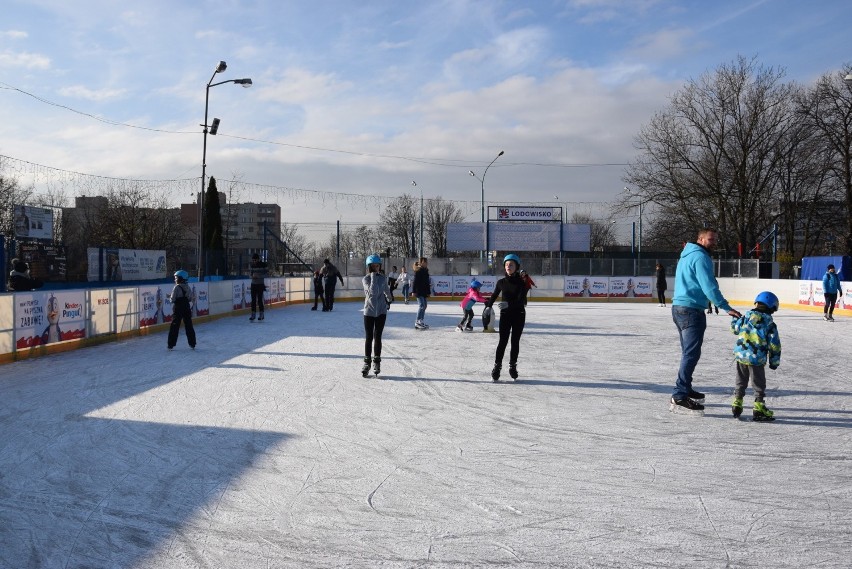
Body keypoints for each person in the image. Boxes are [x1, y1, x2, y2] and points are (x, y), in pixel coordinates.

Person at [670, 228, 741, 415]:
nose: (714, 243)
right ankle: (679, 395)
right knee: (691, 354)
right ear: (700, 239)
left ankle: (685, 388)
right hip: (691, 310)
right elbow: (709, 285)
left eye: (715, 239)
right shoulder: (700, 257)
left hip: (679, 307)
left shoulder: (686, 255)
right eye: (711, 239)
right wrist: (726, 307)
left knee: (689, 353)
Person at [730, 291, 781, 421]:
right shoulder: (770, 324)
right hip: (757, 358)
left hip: (741, 355)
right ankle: (759, 406)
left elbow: (735, 329)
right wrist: (774, 362)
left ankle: (737, 401)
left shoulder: (746, 317)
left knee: (741, 379)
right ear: (772, 308)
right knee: (758, 382)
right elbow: (774, 345)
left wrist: (735, 318)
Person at [485, 253, 529, 382]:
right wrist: (488, 306)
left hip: (519, 315)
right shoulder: (501, 282)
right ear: (504, 267)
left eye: (511, 264)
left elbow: (522, 301)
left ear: (516, 267)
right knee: (502, 341)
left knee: (515, 341)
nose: (508, 266)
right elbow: (494, 295)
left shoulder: (522, 282)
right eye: (506, 264)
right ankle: (497, 366)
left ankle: (512, 366)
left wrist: (508, 304)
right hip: (506, 315)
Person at [361, 254, 393, 377]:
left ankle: (377, 362)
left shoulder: (383, 278)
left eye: (378, 265)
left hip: (381, 312)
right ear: (369, 267)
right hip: (368, 312)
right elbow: (372, 293)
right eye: (374, 266)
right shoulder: (366, 279)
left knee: (377, 336)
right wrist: (373, 276)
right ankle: (367, 362)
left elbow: (386, 290)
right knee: (369, 337)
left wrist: (389, 299)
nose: (376, 268)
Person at [167, 270, 196, 350]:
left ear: (181, 278)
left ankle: (171, 344)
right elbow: (190, 298)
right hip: (186, 307)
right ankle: (192, 343)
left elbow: (172, 300)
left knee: (175, 326)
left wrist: (169, 297)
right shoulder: (188, 287)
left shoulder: (176, 287)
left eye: (176, 278)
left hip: (178, 307)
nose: (175, 279)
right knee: (189, 325)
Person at [249, 253, 268, 321]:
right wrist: (252, 277)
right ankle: (253, 314)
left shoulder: (263, 265)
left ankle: (261, 314)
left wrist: (259, 276)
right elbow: (250, 275)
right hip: (253, 284)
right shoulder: (252, 265)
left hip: (260, 284)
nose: (254, 261)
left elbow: (266, 275)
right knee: (253, 300)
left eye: (255, 260)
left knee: (260, 300)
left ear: (258, 259)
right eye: (253, 260)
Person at [413, 257, 430, 329]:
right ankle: (417, 321)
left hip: (424, 292)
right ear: (421, 263)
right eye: (425, 262)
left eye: (426, 262)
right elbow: (415, 282)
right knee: (422, 305)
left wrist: (428, 292)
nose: (426, 263)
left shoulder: (425, 271)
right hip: (418, 291)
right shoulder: (418, 271)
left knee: (425, 306)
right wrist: (414, 291)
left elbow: (427, 283)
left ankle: (421, 321)